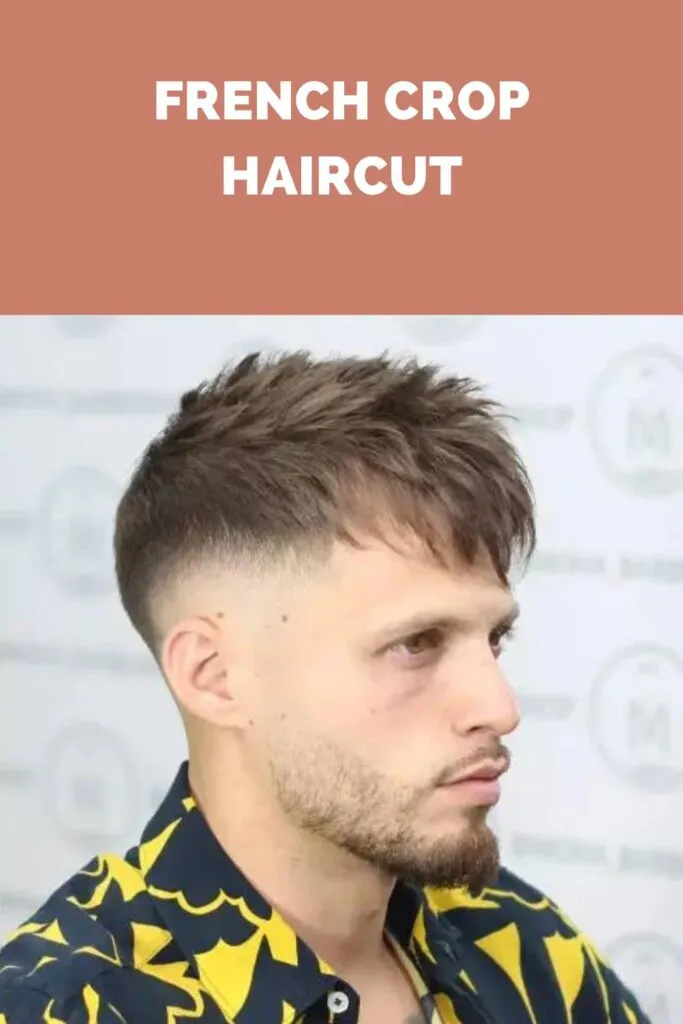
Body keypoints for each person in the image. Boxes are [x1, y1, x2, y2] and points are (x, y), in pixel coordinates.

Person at [0, 351, 648, 1023]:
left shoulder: (520, 947)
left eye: (492, 641)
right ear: (214, 677)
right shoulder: (73, 1007)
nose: (498, 708)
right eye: (415, 644)